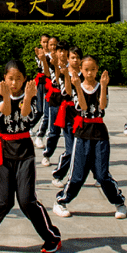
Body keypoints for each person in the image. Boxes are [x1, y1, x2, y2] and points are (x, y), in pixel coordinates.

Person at [0, 60, 61, 253]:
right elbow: (6, 111)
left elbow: (26, 115)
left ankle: (51, 237)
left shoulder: (33, 98)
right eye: (10, 78)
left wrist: (27, 97)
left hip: (24, 152)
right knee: (5, 201)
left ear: (25, 79)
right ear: (4, 79)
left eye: (18, 79)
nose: (14, 82)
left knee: (27, 200)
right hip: (3, 152)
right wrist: (6, 96)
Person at [53, 55, 126, 219]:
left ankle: (119, 202)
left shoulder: (101, 86)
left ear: (97, 69)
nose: (90, 73)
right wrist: (78, 87)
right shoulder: (77, 85)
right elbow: (83, 107)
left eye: (93, 69)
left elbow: (102, 106)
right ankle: (61, 201)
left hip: (100, 132)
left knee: (102, 175)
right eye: (86, 70)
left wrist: (105, 86)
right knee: (78, 175)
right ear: (81, 70)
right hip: (83, 133)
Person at [44, 44, 80, 187]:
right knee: (71, 150)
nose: (75, 60)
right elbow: (67, 93)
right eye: (72, 57)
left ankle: (99, 176)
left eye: (78, 57)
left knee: (88, 150)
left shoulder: (85, 74)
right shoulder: (66, 73)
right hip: (70, 116)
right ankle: (58, 174)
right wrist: (65, 75)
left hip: (85, 117)